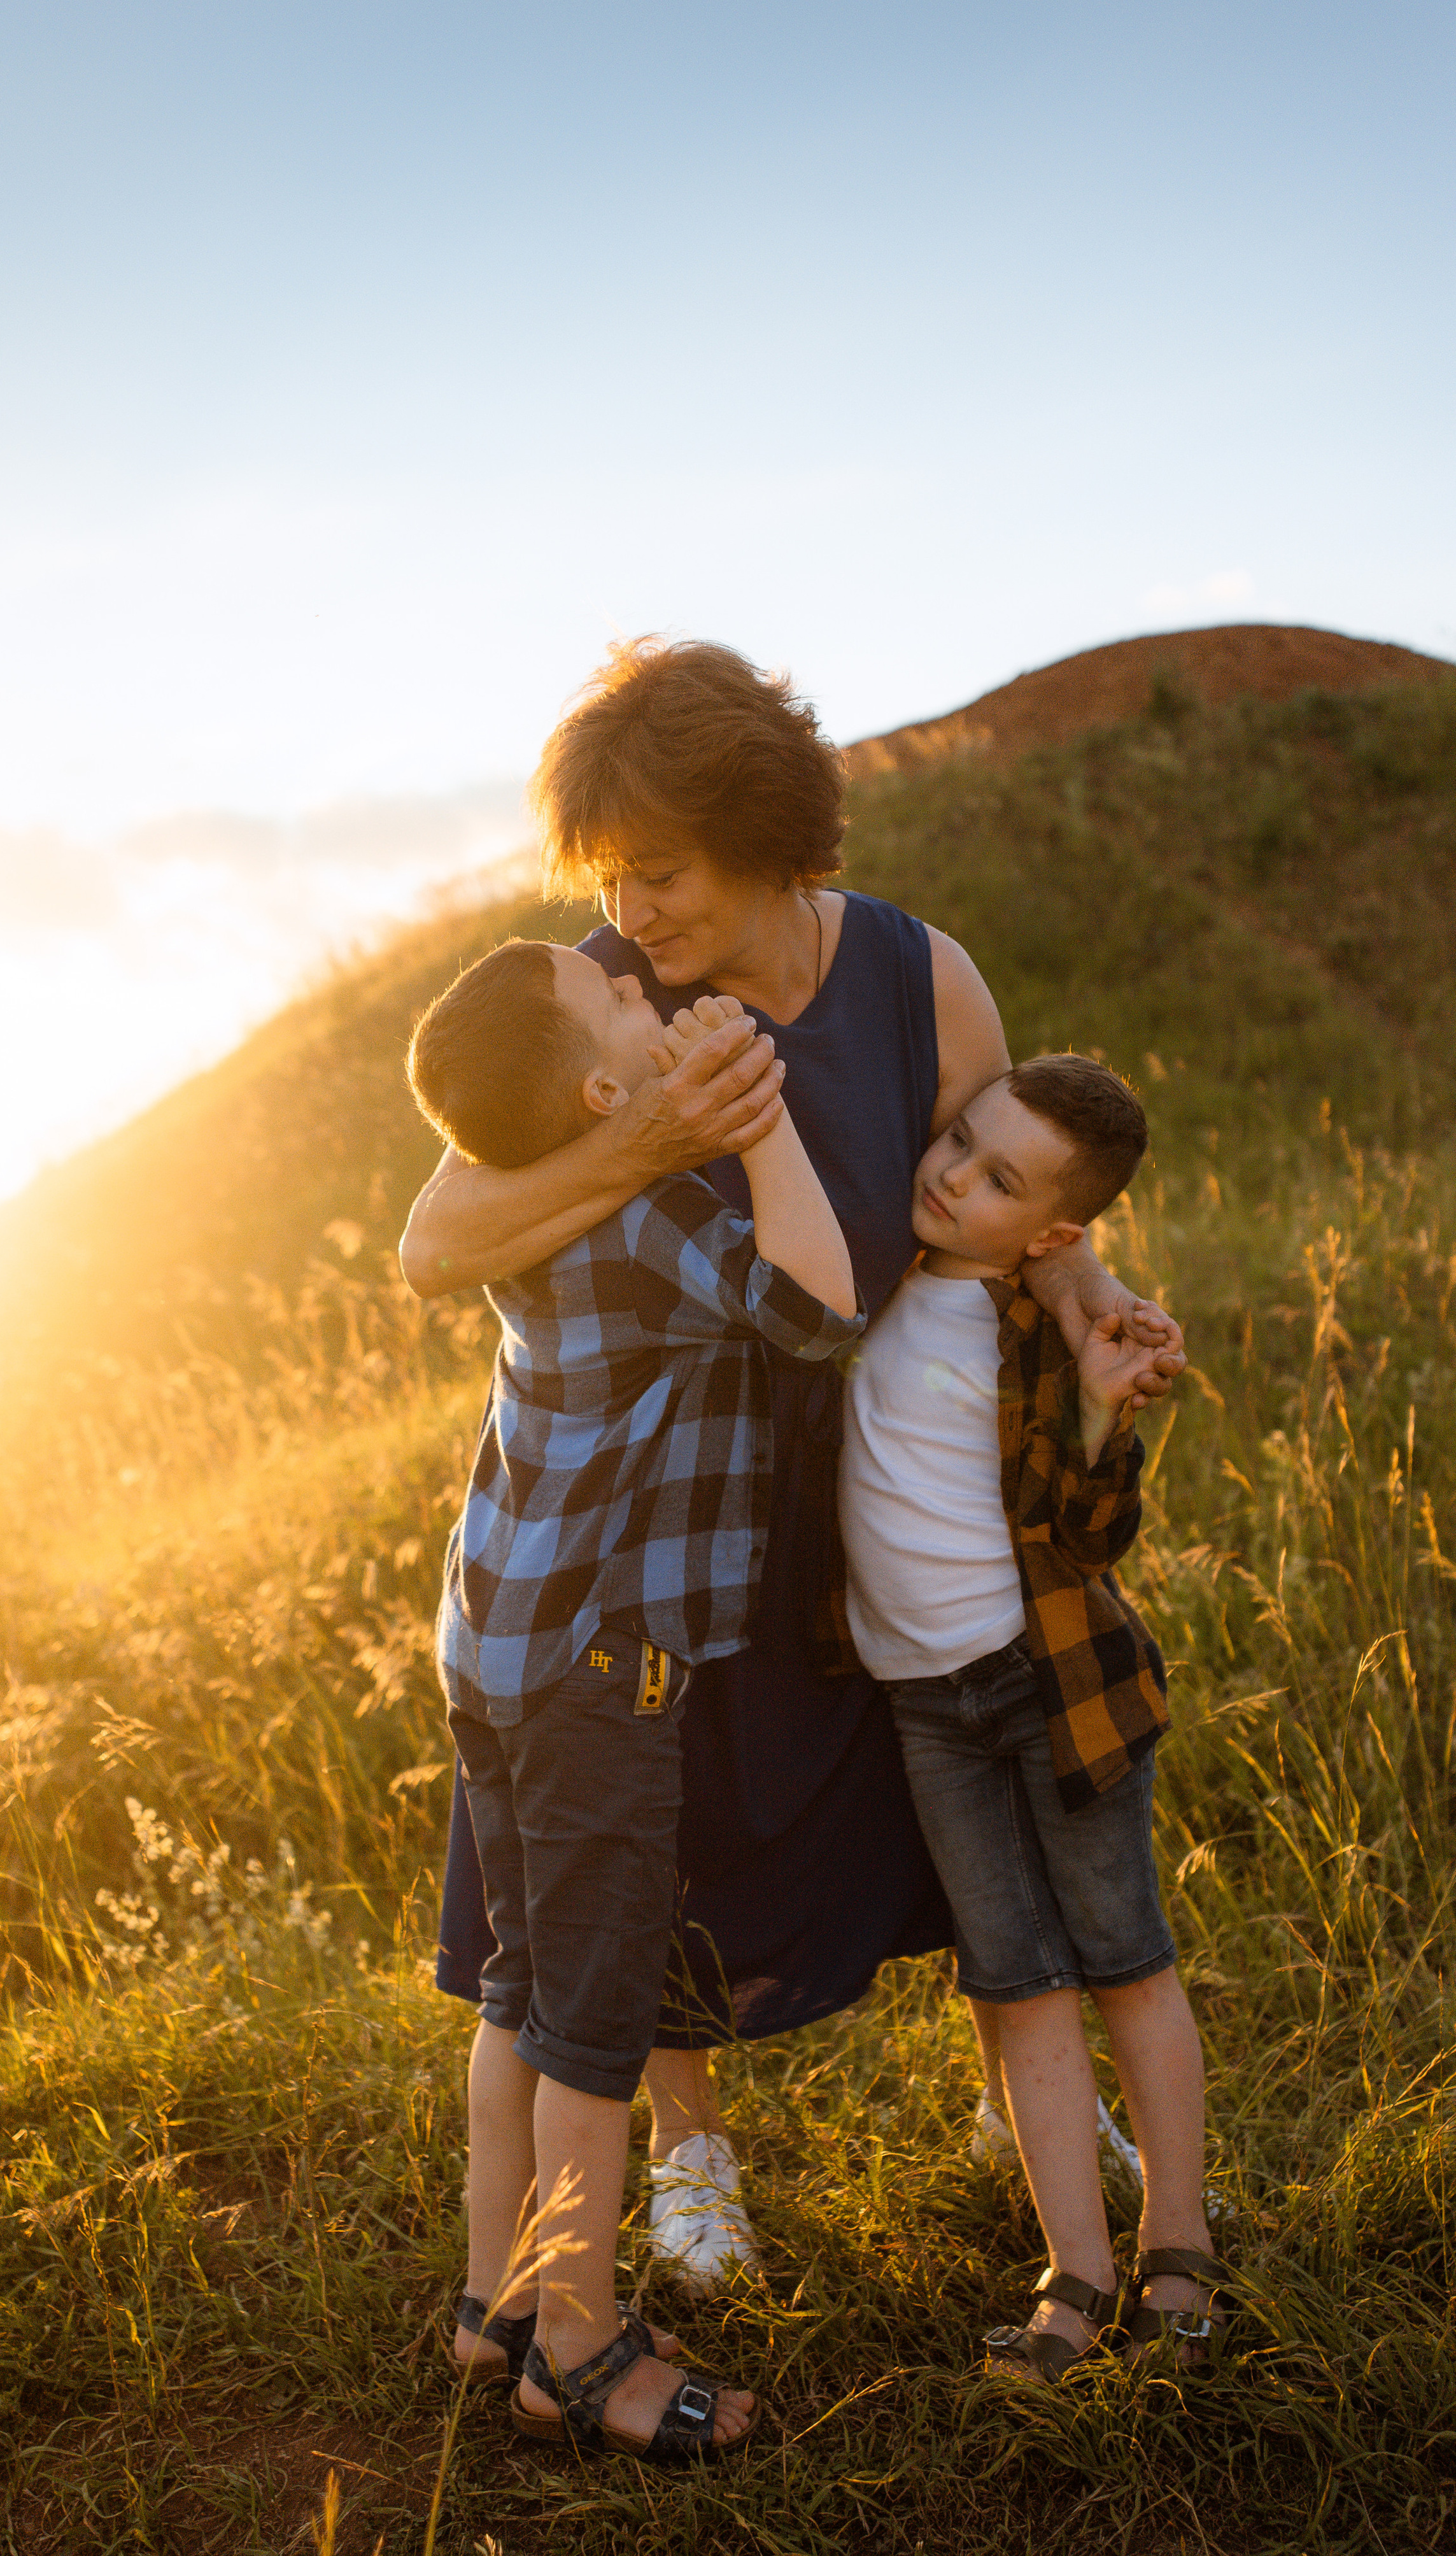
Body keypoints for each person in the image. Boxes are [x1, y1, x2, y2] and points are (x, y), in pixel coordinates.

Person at [400, 637, 1185, 2287]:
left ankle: (1019, 2110)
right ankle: (688, 2150)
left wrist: (1087, 1278)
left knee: (943, 1806)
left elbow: (1005, 1179)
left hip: (898, 1471)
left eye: (661, 867)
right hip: (678, 1494)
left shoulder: (919, 975)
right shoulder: (605, 1005)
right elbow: (437, 1234)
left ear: (763, 830)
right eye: (610, 870)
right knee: (660, 1811)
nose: (634, 902)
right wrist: (655, 1136)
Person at [406, 935, 863, 2458]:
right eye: (618, 1001)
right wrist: (760, 1117)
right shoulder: (654, 1212)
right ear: (607, 1085)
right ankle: (581, 2349)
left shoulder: (551, 1197)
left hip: (498, 1639)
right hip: (600, 1664)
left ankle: (493, 2304)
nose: (646, 990)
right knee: (594, 2021)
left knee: (520, 1987)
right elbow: (815, 1311)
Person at [835, 1054, 1226, 2377]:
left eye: (997, 1179)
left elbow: (1091, 1533)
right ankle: (1074, 2272)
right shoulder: (873, 1281)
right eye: (958, 1141)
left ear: (1053, 1234)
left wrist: (1109, 1417)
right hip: (926, 1709)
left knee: (1120, 1957)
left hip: (1052, 1686)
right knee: (1013, 1985)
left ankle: (1177, 2243)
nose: (951, 1175)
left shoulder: (1036, 1329)